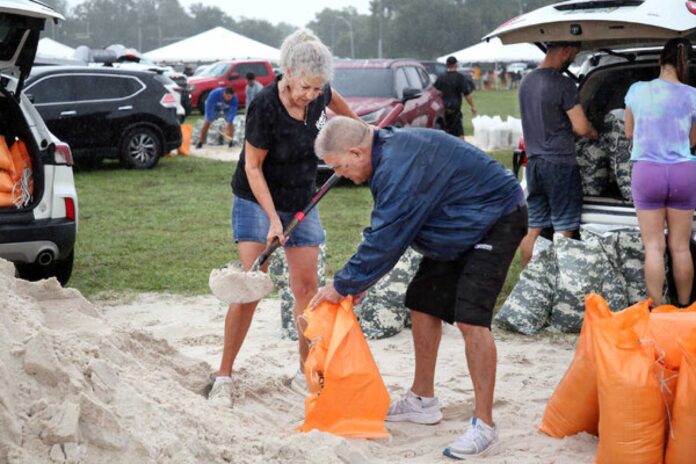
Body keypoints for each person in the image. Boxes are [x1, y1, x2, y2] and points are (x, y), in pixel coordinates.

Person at [309, 117, 527, 459]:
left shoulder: (398, 166)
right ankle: (422, 400)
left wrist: (343, 284)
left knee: (471, 318)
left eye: (340, 167)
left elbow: (386, 239)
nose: (341, 175)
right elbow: (388, 232)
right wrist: (359, 280)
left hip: (496, 218)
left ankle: (484, 425)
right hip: (453, 223)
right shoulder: (385, 154)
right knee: (422, 303)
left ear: (355, 150)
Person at [208, 30, 360, 406]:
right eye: (306, 87)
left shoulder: (321, 91)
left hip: (300, 199)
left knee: (307, 290)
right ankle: (224, 376)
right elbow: (253, 166)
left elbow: (347, 115)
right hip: (255, 198)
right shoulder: (264, 106)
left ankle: (305, 374)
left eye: (317, 89)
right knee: (250, 287)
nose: (311, 96)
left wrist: (363, 139)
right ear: (289, 73)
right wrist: (272, 220)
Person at [624, 38, 696, 306]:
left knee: (654, 247)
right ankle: (686, 309)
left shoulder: (637, 90)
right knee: (680, 247)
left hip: (648, 172)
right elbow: (691, 141)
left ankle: (657, 312)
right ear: (684, 63)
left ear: (659, 61)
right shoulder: (692, 95)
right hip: (684, 174)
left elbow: (629, 132)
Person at [518, 41, 599, 267]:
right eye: (573, 54)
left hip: (534, 164)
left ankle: (529, 278)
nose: (573, 59)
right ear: (564, 51)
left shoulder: (526, 81)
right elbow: (581, 127)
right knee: (564, 227)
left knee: (534, 228)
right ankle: (559, 280)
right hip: (560, 164)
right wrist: (595, 132)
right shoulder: (563, 84)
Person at [434, 56, 477, 138]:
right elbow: (466, 94)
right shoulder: (460, 77)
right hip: (455, 108)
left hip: (443, 108)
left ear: (447, 65)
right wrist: (472, 106)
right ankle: (461, 148)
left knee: (446, 131)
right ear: (456, 65)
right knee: (458, 132)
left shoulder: (441, 77)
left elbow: (435, 91)